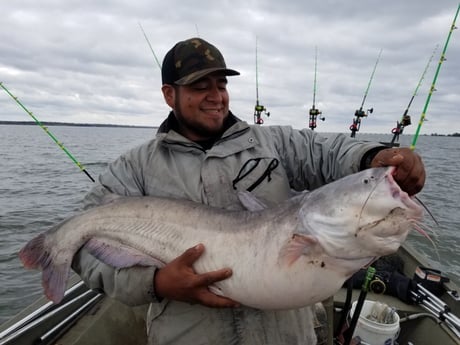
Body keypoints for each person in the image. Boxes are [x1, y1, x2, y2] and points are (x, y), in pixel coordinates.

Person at [72, 37, 425, 345]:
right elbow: (79, 245)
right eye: (199, 87)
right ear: (169, 94)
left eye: (220, 84)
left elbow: (327, 153)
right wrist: (155, 283)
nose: (215, 96)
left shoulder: (273, 142)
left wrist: (374, 157)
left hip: (287, 335)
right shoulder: (135, 168)